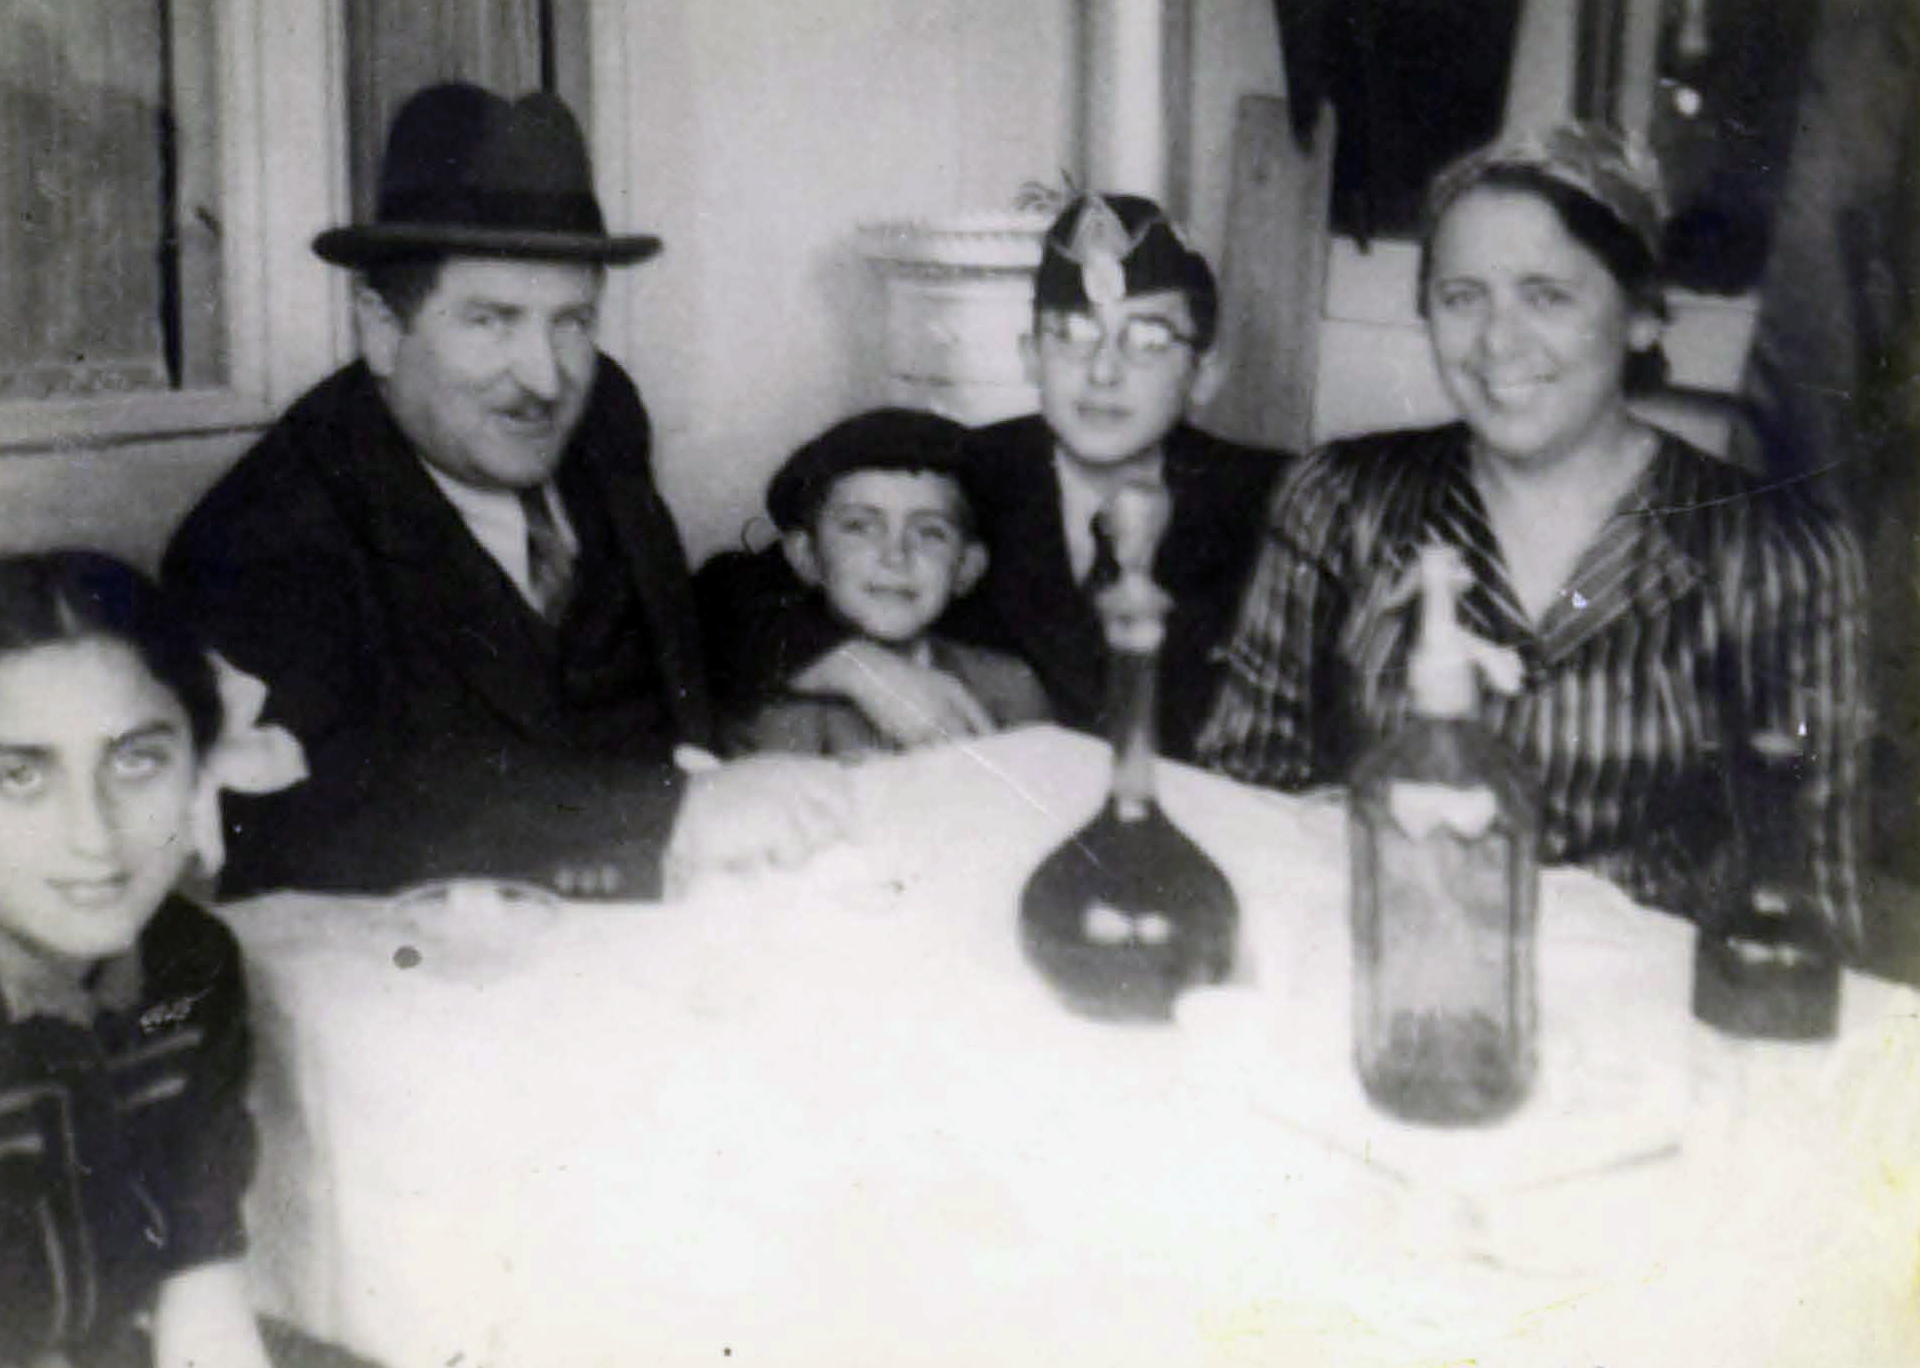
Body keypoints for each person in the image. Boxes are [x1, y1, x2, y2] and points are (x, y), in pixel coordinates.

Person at [1196, 122, 1869, 949]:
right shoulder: (1339, 501)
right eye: (1461, 296)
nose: (1496, 342)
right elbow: (1237, 800)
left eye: (1546, 295)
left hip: (1649, 1033)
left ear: (1641, 318)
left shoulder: (1772, 554)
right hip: (1395, 984)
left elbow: (1809, 897)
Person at [164, 82, 845, 898]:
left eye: (572, 320)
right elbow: (315, 823)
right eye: (490, 320)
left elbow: (684, 623)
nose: (543, 377)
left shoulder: (606, 415)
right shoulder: (258, 535)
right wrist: (668, 816)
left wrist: (837, 653)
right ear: (381, 329)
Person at [0, 551, 358, 1368]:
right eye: (19, 776)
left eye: (137, 759)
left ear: (195, 771)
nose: (95, 834)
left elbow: (199, 1281)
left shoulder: (192, 966)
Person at [697, 193, 1288, 760]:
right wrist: (864, 671)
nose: (1103, 370)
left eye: (1148, 340)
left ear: (1204, 374)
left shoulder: (1283, 501)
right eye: (1072, 335)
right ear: (1031, 355)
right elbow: (726, 594)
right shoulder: (964, 473)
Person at [728, 407, 1051, 756]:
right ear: (806, 557)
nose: (895, 556)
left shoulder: (1010, 686)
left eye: (930, 533)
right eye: (859, 527)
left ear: (967, 568)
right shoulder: (776, 707)